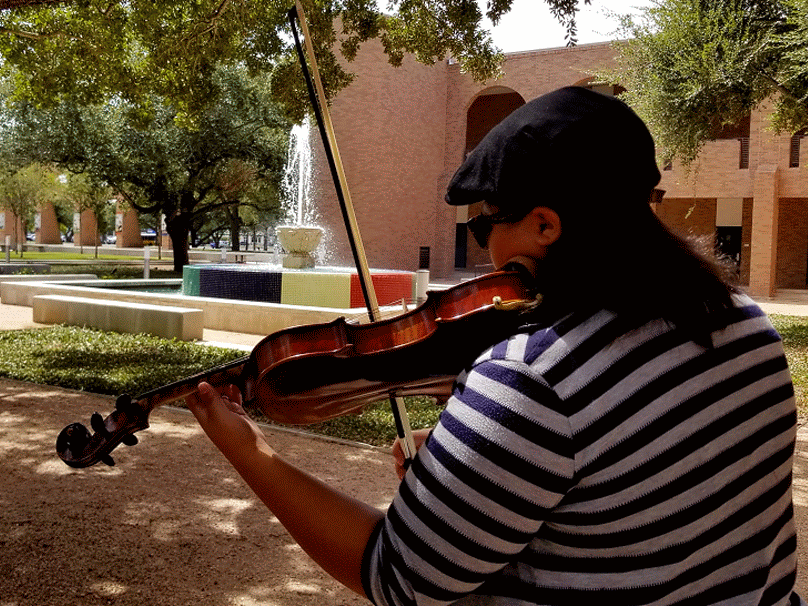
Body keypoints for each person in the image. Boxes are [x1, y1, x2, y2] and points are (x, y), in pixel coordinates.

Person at [187, 86, 804, 605]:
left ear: (545, 225)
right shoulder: (746, 324)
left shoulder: (534, 380)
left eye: (485, 225)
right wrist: (490, 472)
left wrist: (249, 452)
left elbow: (397, 576)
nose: (485, 250)